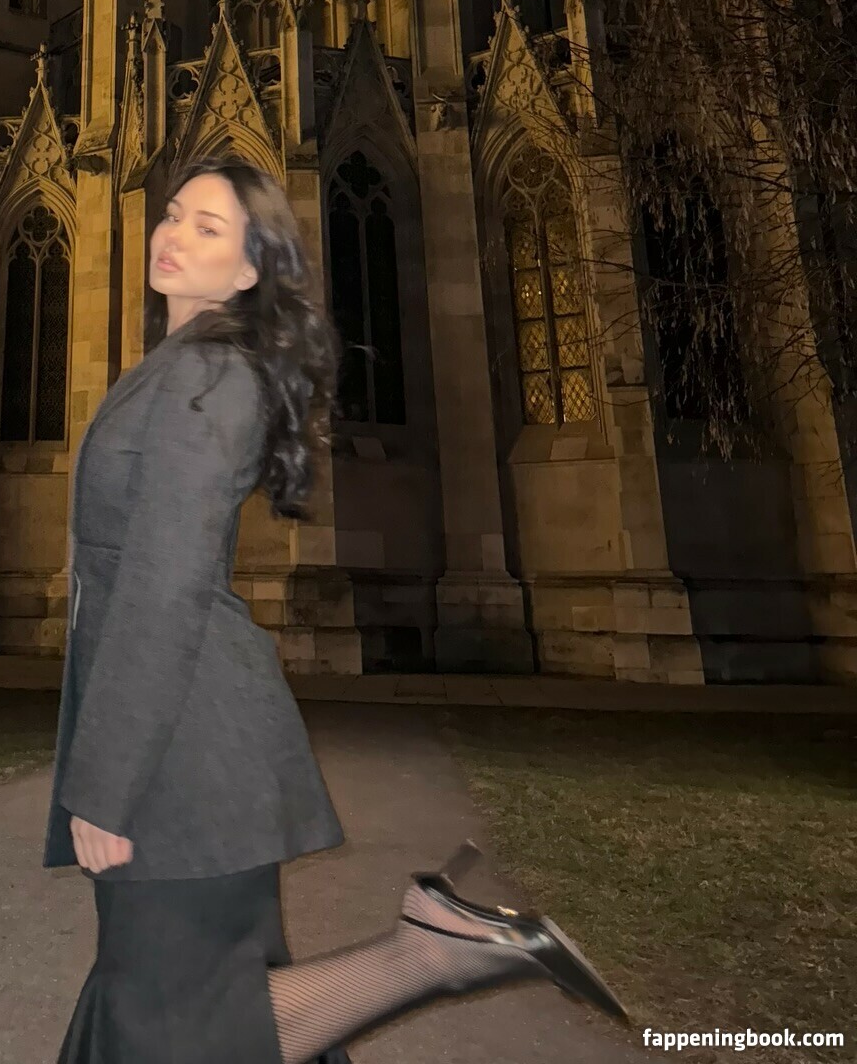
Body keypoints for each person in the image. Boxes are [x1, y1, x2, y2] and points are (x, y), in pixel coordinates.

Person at [44, 154, 628, 1064]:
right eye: (175, 213)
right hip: (179, 740)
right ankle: (435, 946)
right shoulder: (178, 368)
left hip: (184, 752)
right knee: (171, 1010)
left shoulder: (213, 377)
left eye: (208, 226)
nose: (173, 233)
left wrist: (108, 781)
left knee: (173, 1025)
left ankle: (438, 952)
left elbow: (166, 584)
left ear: (250, 269)